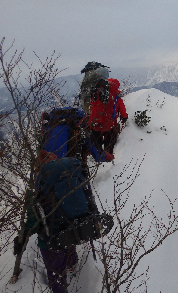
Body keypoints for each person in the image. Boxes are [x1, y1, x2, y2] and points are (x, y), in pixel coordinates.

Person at [14, 108, 114, 293]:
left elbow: (33, 220)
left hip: (51, 236)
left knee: (55, 271)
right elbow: (95, 161)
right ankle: (73, 267)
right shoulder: (72, 166)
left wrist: (23, 237)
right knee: (67, 238)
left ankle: (61, 286)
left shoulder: (39, 182)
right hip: (71, 215)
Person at [88, 78, 128, 154]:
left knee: (96, 144)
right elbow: (123, 112)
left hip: (94, 123)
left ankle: (97, 158)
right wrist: (125, 117)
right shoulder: (116, 97)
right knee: (109, 143)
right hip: (109, 125)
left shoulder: (96, 94)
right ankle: (108, 158)